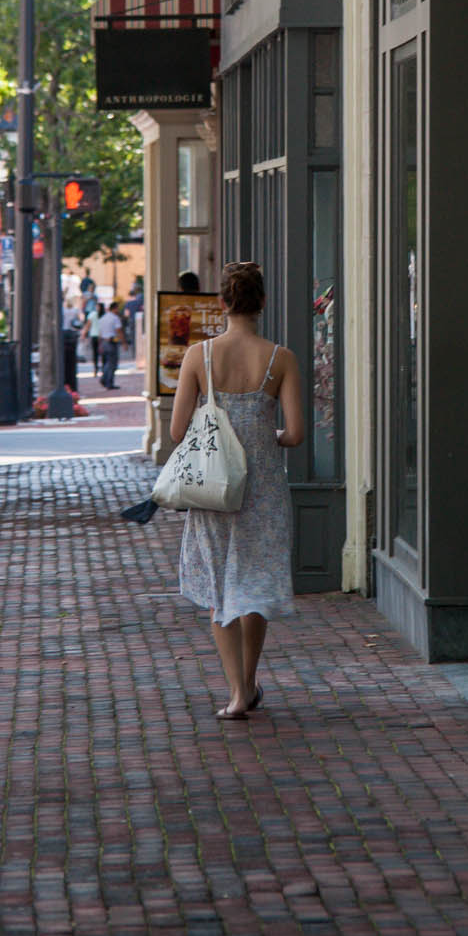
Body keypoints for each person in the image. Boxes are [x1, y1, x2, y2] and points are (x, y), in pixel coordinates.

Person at [170, 259, 304, 721]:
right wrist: (268, 438)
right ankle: (248, 682)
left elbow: (175, 431)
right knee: (254, 585)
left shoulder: (198, 357)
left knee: (219, 588)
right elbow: (296, 433)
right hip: (265, 486)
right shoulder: (280, 358)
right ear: (262, 303)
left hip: (215, 485)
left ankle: (236, 691)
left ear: (222, 303)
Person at [98, 300, 124, 389]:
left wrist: (100, 344)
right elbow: (119, 331)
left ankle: (105, 379)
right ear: (115, 308)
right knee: (112, 363)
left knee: (107, 363)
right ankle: (108, 381)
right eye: (118, 308)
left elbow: (100, 333)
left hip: (104, 342)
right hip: (111, 342)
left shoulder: (102, 318)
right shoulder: (115, 318)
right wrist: (124, 342)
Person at [84, 297, 102, 377]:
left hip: (95, 335)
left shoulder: (92, 314)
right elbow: (88, 325)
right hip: (100, 336)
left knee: (96, 354)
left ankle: (96, 369)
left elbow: (88, 325)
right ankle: (98, 369)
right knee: (99, 354)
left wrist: (84, 333)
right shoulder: (101, 315)